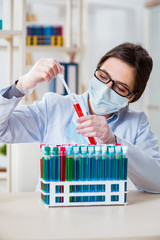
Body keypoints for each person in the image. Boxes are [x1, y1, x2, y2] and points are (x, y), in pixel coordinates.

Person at [0, 42, 160, 193]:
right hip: (53, 214)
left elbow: (157, 182)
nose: (105, 89)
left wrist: (114, 142)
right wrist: (21, 86)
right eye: (103, 76)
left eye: (120, 87)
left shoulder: (136, 123)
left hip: (107, 215)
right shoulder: (54, 107)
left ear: (132, 97)